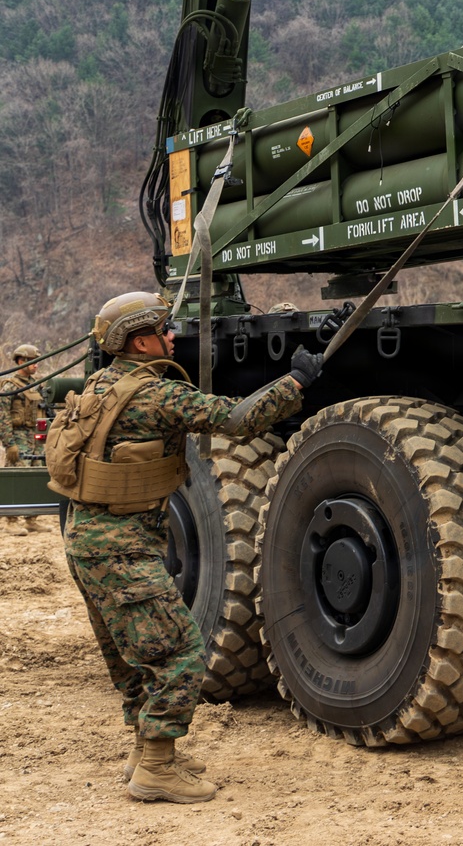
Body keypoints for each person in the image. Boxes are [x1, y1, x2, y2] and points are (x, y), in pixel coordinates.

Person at [51, 290, 323, 805]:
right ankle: (156, 767)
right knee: (181, 652)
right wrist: (296, 381)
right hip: (123, 547)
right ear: (138, 340)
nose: (172, 337)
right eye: (163, 330)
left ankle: (144, 752)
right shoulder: (156, 396)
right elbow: (238, 420)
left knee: (134, 658)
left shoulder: (102, 385)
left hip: (87, 542)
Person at [1, 344, 45, 535]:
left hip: (35, 437)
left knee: (36, 476)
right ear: (21, 362)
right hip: (17, 436)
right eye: (32, 361)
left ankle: (31, 519)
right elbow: (2, 417)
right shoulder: (9, 386)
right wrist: (9, 444)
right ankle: (11, 521)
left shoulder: (37, 385)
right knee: (16, 478)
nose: (36, 365)